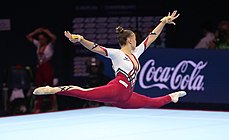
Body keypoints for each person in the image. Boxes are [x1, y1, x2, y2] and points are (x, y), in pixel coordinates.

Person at [33, 10, 187, 109]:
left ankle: (171, 96)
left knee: (152, 102)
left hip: (126, 98)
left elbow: (151, 37)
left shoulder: (136, 53)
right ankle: (54, 89)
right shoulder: (116, 54)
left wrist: (163, 21)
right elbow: (96, 47)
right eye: (134, 38)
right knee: (85, 93)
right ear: (129, 40)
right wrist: (80, 39)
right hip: (117, 89)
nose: (136, 40)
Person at [26, 27, 58, 113]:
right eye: (39, 39)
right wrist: (36, 31)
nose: (40, 41)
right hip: (40, 67)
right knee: (39, 87)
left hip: (47, 67)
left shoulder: (49, 46)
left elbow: (54, 38)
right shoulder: (38, 45)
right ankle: (38, 107)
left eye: (42, 39)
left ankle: (53, 106)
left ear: (46, 39)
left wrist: (45, 31)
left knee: (50, 87)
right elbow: (28, 37)